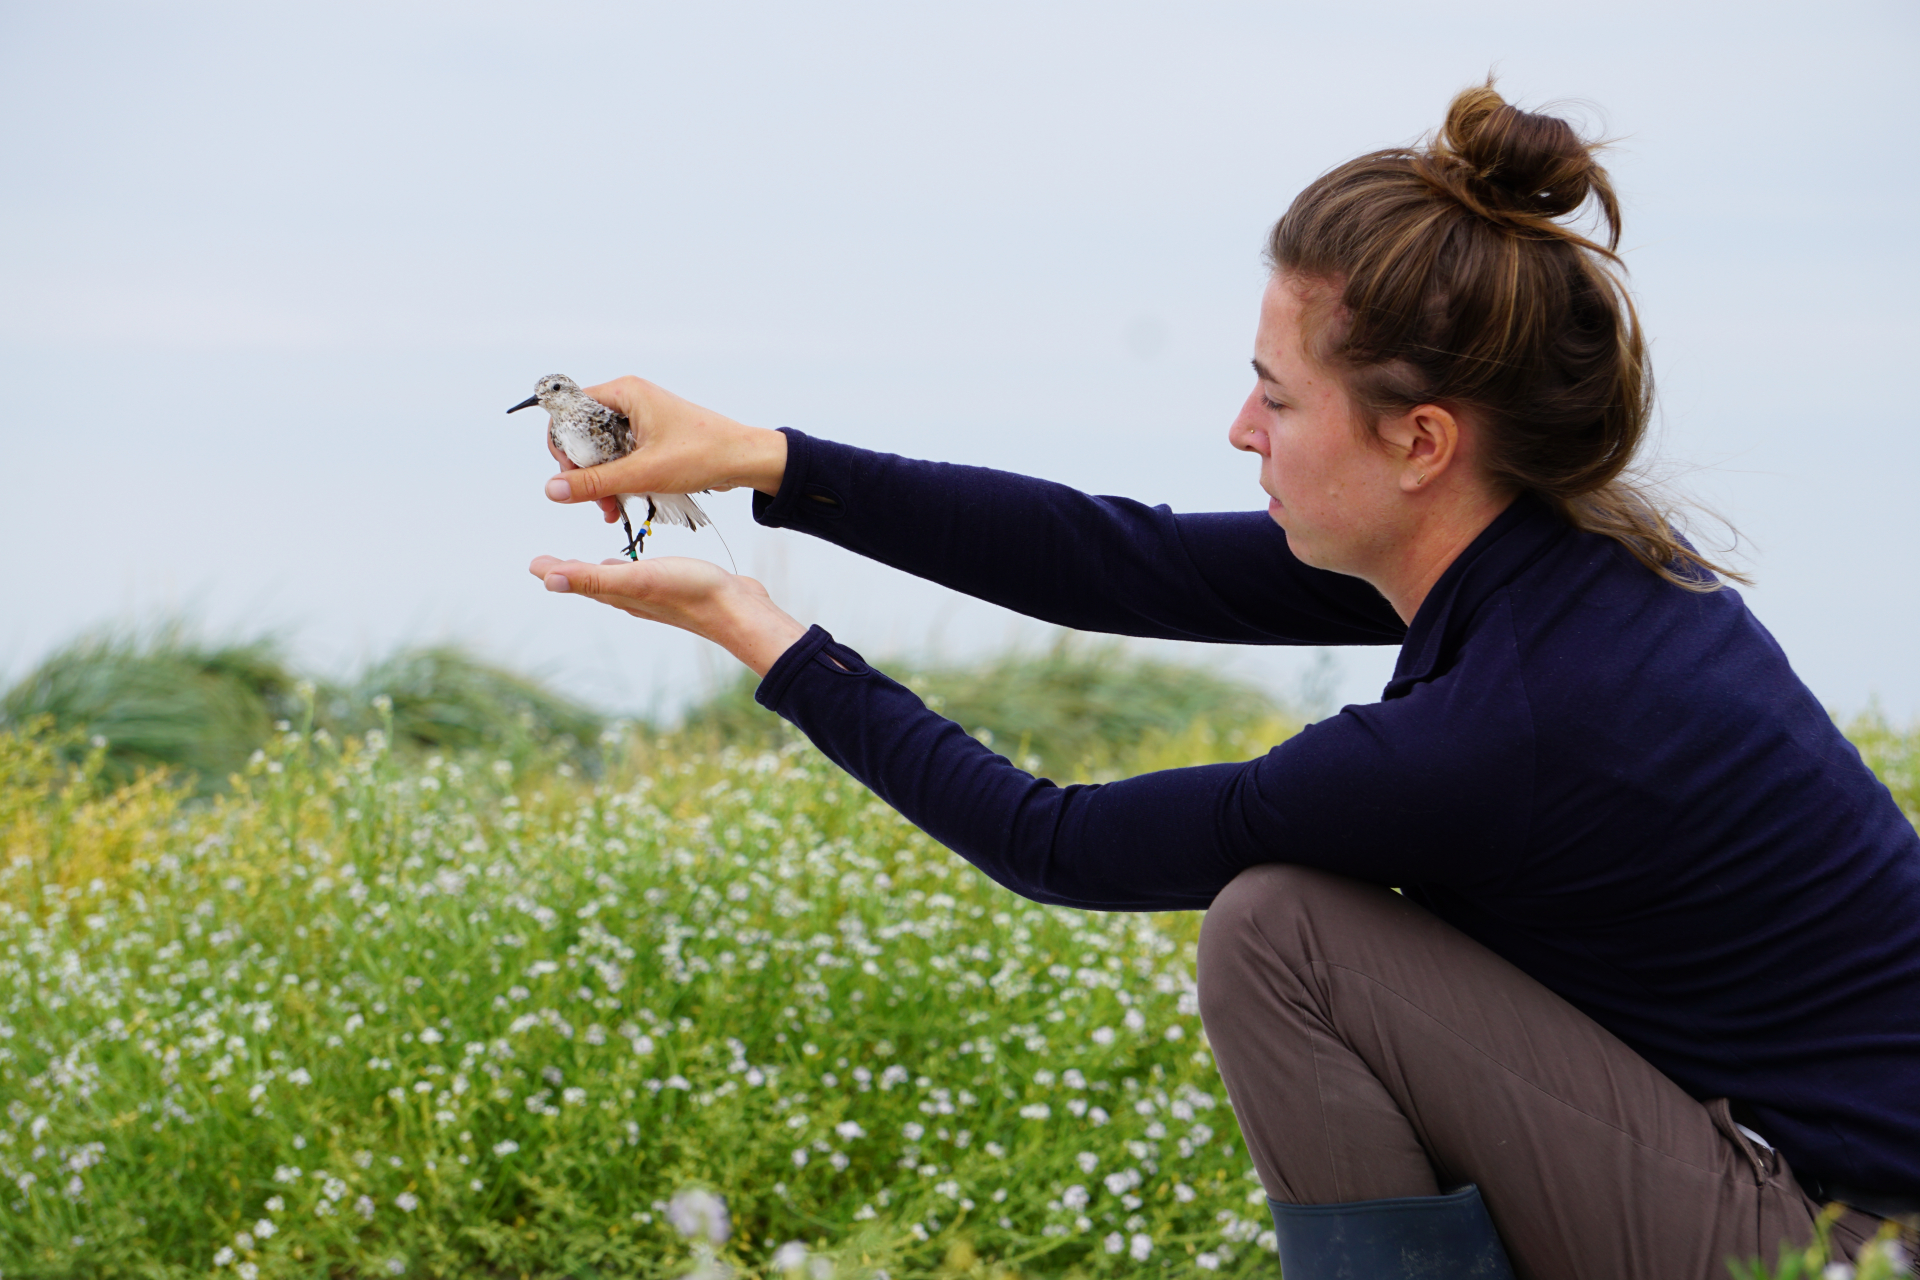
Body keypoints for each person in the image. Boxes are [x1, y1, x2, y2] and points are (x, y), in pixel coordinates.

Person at [524, 84, 1920, 1280]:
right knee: (1291, 923)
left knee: (1280, 937)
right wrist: (765, 456)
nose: (1240, 428)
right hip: (1784, 1180)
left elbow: (1051, 840)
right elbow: (1116, 561)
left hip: (1841, 1244)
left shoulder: (1507, 724)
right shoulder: (1543, 549)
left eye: (1279, 396)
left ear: (1421, 441)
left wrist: (759, 633)